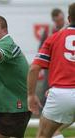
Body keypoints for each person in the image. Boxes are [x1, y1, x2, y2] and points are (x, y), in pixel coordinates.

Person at [27, 3, 75, 138]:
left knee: (43, 134)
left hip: (61, 94)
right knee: (56, 130)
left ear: (69, 19)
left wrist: (31, 95)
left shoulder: (54, 37)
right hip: (62, 92)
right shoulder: (51, 33)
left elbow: (34, 68)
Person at [37, 8, 70, 138]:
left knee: (44, 131)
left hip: (64, 77)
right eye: (58, 20)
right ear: (54, 20)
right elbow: (41, 52)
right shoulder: (50, 31)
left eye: (62, 19)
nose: (60, 22)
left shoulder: (62, 33)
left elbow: (36, 64)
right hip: (54, 72)